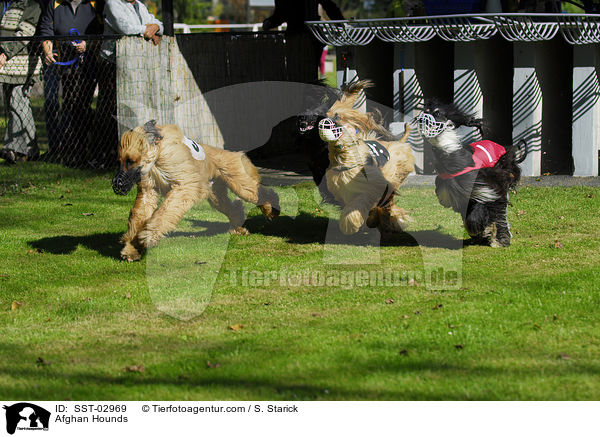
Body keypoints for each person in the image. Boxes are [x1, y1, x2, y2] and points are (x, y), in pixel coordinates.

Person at [91, 0, 162, 168]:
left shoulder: (140, 6)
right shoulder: (112, 4)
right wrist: (146, 30)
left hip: (133, 65)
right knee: (108, 110)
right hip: (111, 63)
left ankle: (129, 154)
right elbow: (125, 28)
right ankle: (100, 156)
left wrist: (156, 28)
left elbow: (158, 22)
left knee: (130, 110)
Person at [38, 0, 103, 166]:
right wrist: (47, 50)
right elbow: (46, 29)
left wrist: (87, 44)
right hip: (64, 63)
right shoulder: (54, 3)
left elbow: (103, 30)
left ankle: (84, 149)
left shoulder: (95, 3)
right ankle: (67, 150)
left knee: (81, 105)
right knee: (64, 103)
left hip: (89, 65)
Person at [0, 0, 43, 164]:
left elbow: (25, 34)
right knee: (19, 105)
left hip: (23, 64)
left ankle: (13, 149)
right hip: (8, 66)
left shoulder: (32, 5)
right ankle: (31, 150)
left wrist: (5, 52)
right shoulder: (7, 5)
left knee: (17, 102)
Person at [262, 0, 344, 74]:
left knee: (296, 74)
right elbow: (330, 7)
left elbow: (280, 15)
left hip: (296, 37)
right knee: (308, 74)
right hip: (310, 37)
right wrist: (342, 24)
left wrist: (268, 23)